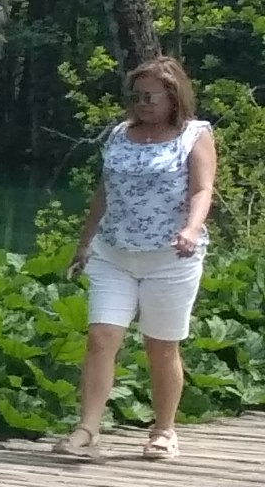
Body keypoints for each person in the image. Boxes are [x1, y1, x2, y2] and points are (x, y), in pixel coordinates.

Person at [58, 55, 218, 464]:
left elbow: (202, 190)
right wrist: (85, 242)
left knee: (160, 345)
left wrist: (191, 229)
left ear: (173, 96)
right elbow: (104, 191)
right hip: (114, 252)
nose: (144, 103)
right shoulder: (119, 135)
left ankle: (164, 430)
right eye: (137, 96)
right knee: (100, 338)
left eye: (152, 96)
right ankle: (87, 429)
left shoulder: (194, 135)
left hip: (170, 256)